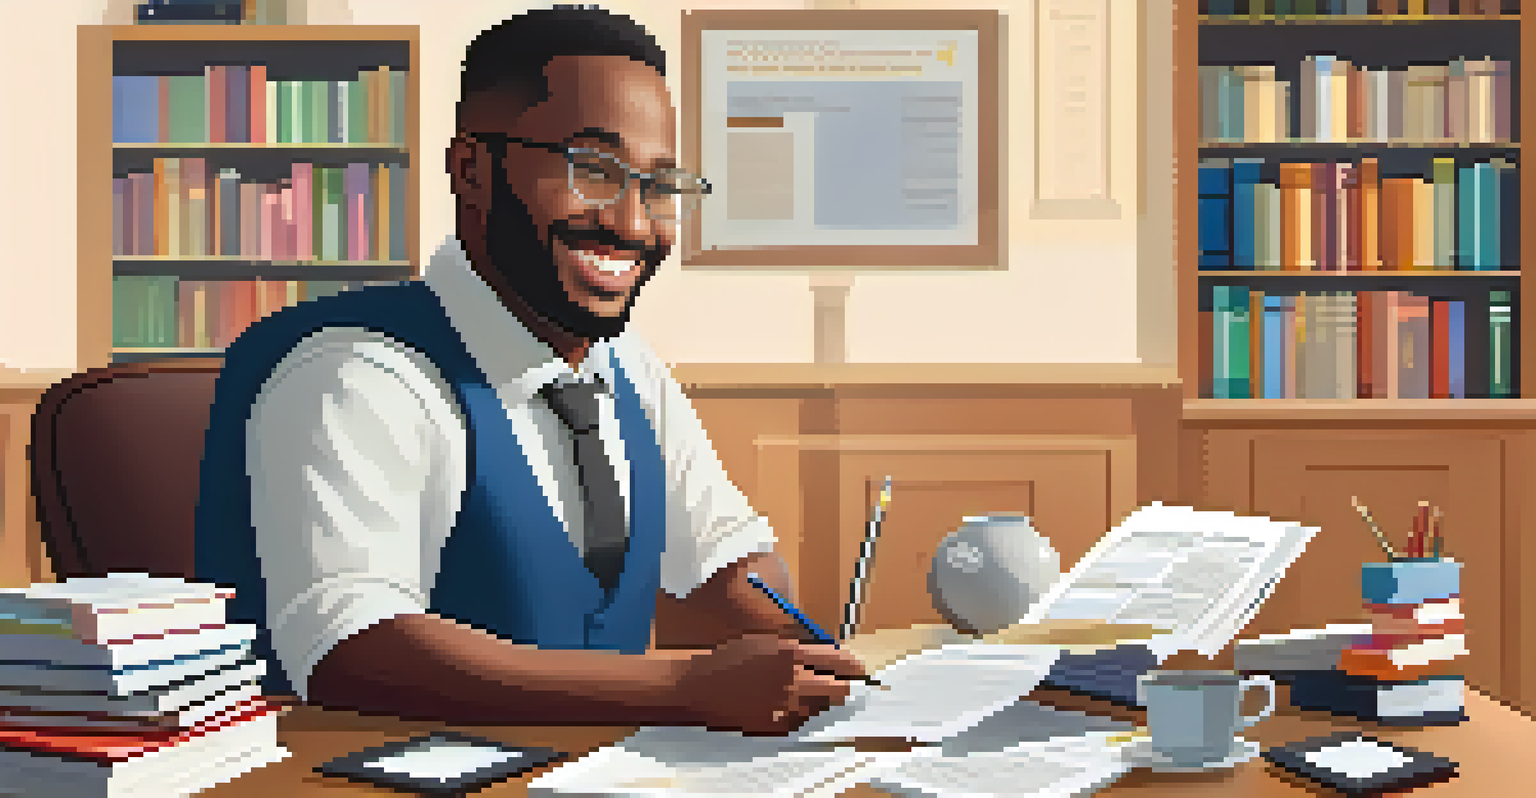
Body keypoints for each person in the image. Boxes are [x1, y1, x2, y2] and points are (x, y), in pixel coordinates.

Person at [193, 6, 867, 736]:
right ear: (471, 170)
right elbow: (352, 648)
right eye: (594, 170)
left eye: (660, 185)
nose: (635, 225)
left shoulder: (628, 372)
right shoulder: (358, 373)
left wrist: (779, 631)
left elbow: (724, 565)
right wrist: (682, 684)